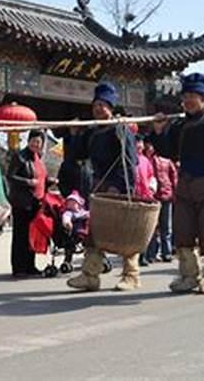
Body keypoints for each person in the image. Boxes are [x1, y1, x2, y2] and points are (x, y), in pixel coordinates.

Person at [150, 73, 204, 295]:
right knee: (183, 230)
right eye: (185, 95)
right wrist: (159, 131)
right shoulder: (180, 125)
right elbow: (167, 151)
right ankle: (189, 275)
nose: (188, 100)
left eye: (192, 96)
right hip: (185, 185)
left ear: (203, 97)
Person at [65, 82, 139, 292]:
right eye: (95, 104)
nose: (98, 109)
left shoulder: (120, 129)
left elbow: (129, 160)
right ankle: (90, 275)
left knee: (125, 233)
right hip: (98, 187)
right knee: (94, 233)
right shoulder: (92, 132)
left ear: (111, 107)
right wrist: (75, 134)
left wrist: (120, 187)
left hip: (118, 187)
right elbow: (77, 156)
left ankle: (131, 275)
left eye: (103, 105)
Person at [7, 129, 49, 277]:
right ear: (28, 141)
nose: (36, 144)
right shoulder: (20, 157)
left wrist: (50, 182)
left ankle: (30, 266)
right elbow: (10, 176)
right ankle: (19, 268)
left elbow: (43, 177)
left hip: (36, 203)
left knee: (32, 235)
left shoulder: (38, 158)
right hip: (22, 202)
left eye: (39, 142)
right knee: (20, 235)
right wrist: (28, 182)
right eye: (34, 141)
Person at [142, 135, 178, 264]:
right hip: (152, 197)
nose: (149, 147)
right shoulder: (145, 160)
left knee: (166, 227)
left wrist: (174, 193)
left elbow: (173, 177)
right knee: (152, 227)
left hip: (166, 195)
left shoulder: (166, 160)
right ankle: (151, 253)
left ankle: (166, 252)